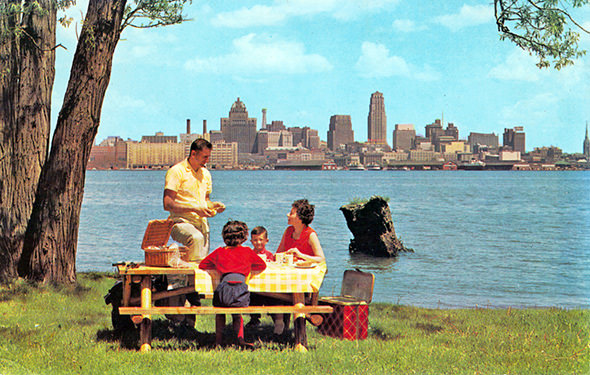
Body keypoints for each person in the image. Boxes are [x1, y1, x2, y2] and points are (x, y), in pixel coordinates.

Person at [199, 220, 266, 347]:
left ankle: (218, 340)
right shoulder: (247, 251)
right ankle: (240, 339)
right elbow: (262, 265)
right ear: (244, 237)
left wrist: (218, 266)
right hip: (240, 289)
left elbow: (203, 264)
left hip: (224, 289)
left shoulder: (219, 252)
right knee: (237, 314)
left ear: (224, 237)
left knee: (220, 313)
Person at [163, 138, 225, 261]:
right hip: (179, 222)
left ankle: (188, 278)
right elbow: (167, 204)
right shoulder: (176, 171)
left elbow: (206, 201)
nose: (207, 161)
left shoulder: (206, 174)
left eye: (208, 157)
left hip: (202, 224)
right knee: (196, 238)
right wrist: (195, 209)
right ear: (193, 154)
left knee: (202, 261)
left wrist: (214, 206)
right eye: (204, 157)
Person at [276, 199, 325, 263]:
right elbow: (278, 254)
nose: (287, 215)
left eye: (291, 213)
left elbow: (321, 259)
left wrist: (301, 255)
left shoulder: (310, 235)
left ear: (300, 218)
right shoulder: (288, 231)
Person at [246, 226, 274, 328]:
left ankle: (276, 319)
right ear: (251, 241)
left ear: (266, 241)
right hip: (253, 285)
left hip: (266, 285)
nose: (258, 242)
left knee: (273, 297)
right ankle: (254, 319)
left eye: (261, 240)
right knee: (253, 297)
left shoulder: (269, 255)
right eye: (255, 240)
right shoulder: (250, 254)